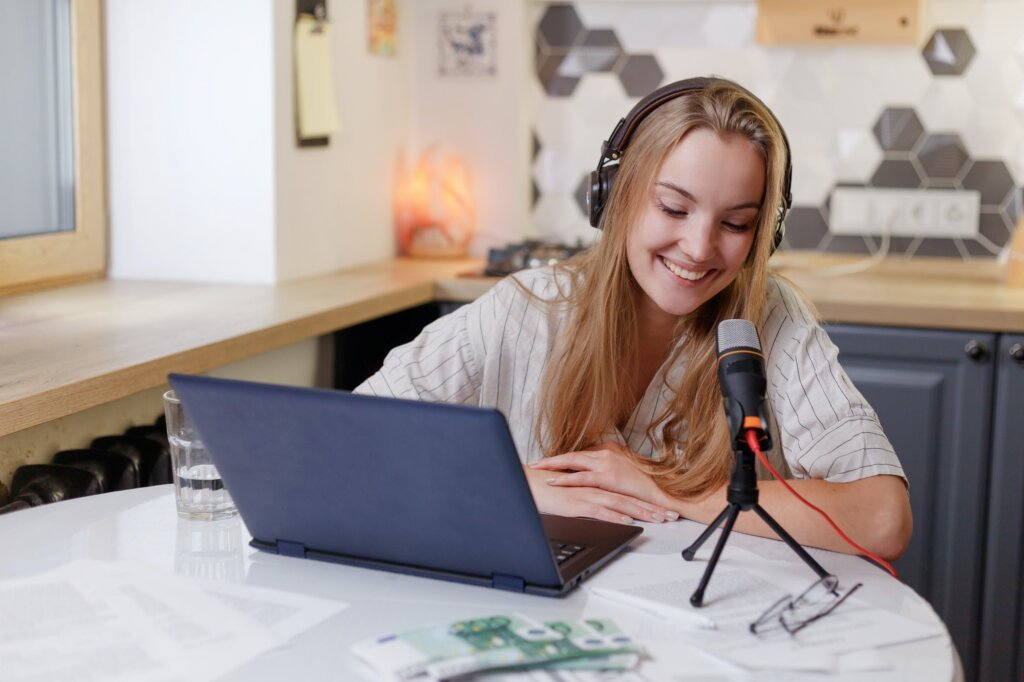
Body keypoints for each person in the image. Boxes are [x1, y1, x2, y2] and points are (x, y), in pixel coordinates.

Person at [355, 77, 912, 561]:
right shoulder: (524, 308)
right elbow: (349, 443)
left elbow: (882, 519)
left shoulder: (771, 319)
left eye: (736, 223)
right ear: (615, 196)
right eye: (673, 208)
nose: (698, 247)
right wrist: (512, 485)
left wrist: (666, 490)